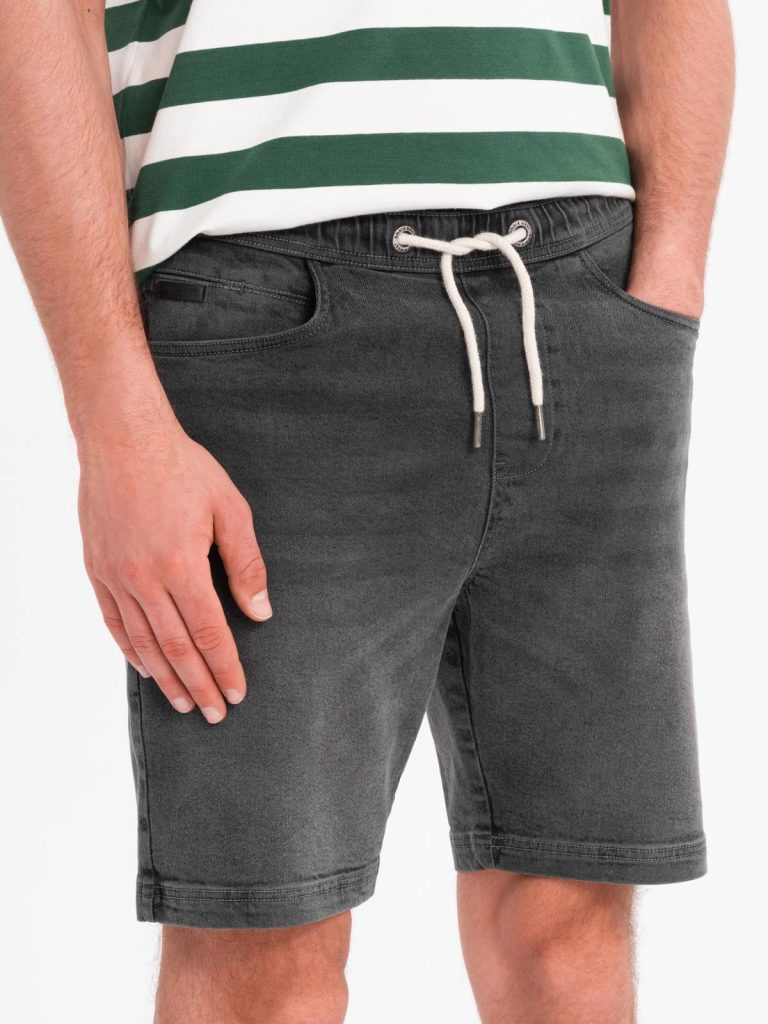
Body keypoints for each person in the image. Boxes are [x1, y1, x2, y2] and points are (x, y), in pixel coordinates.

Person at [0, 2, 734, 1022]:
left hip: (580, 296)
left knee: (568, 929)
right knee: (264, 956)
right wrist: (112, 418)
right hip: (267, 322)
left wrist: (667, 291)